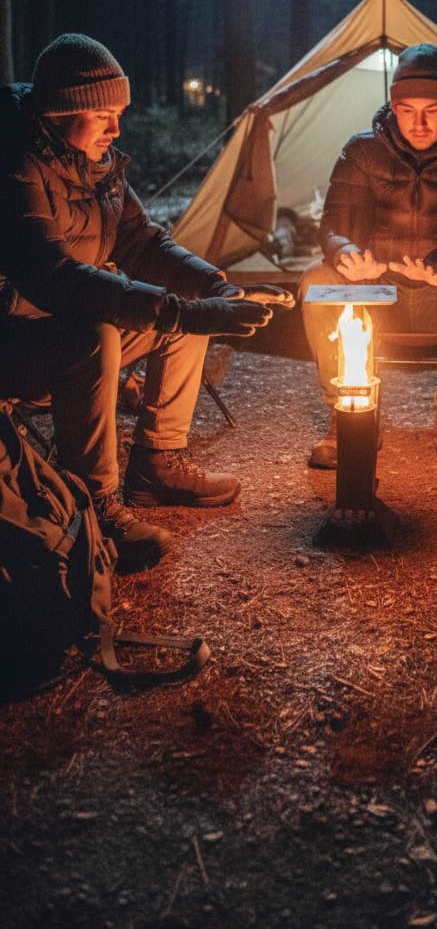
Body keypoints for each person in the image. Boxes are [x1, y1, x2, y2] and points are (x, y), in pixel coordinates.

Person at [0, 34, 294, 571]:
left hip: (61, 320)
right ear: (59, 112)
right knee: (96, 333)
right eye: (103, 114)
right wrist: (182, 308)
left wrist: (215, 290)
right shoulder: (15, 165)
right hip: (15, 337)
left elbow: (142, 242)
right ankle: (91, 510)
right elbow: (53, 279)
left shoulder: (96, 162)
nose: (117, 128)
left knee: (178, 313)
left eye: (119, 113)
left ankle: (158, 463)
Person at [300, 44, 437, 471]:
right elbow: (333, 224)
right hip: (378, 296)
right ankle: (348, 410)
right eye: (406, 109)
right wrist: (348, 256)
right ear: (393, 106)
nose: (418, 122)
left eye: (432, 109)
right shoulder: (362, 151)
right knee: (314, 280)